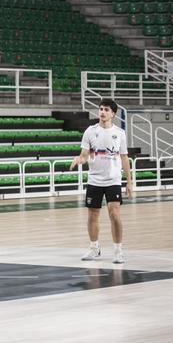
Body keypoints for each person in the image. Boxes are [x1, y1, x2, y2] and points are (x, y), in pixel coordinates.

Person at [70, 99, 133, 264]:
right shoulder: (90, 132)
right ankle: (94, 248)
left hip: (113, 180)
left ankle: (118, 250)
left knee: (114, 214)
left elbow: (124, 158)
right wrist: (79, 159)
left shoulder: (119, 133)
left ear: (113, 113)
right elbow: (84, 155)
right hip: (94, 180)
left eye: (106, 110)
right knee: (92, 215)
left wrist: (129, 182)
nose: (102, 112)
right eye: (101, 109)